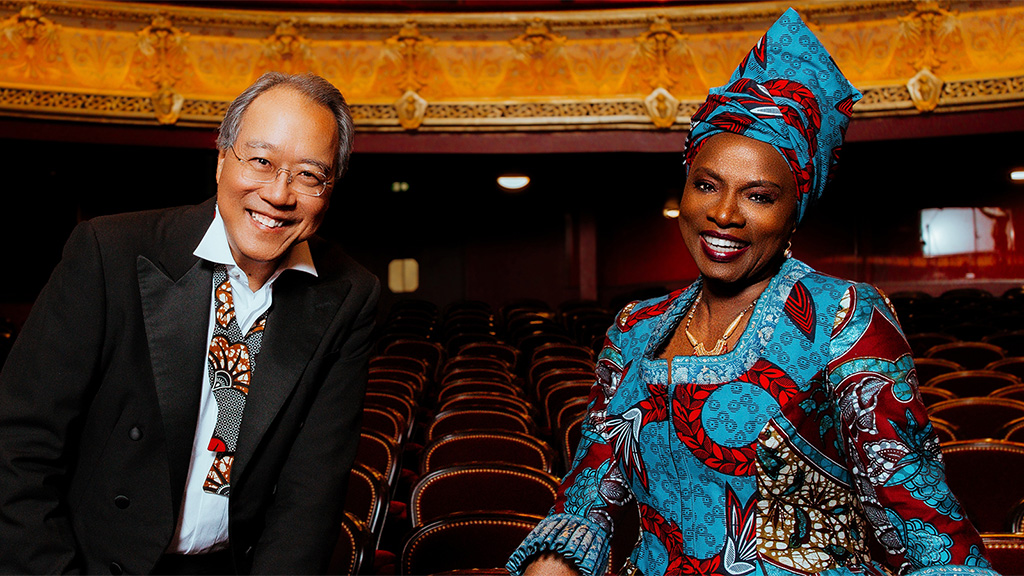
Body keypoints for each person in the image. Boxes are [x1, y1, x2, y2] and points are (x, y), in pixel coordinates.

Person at [507, 9, 996, 576]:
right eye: (706, 185)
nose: (723, 214)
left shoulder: (840, 317)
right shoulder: (635, 328)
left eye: (758, 196)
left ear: (794, 214)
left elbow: (928, 532)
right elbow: (586, 503)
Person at [0, 72, 380, 574]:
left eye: (309, 175)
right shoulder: (108, 252)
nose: (278, 194)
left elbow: (311, 494)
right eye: (261, 161)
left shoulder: (350, 294)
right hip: (87, 562)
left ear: (330, 188)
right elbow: (18, 446)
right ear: (222, 158)